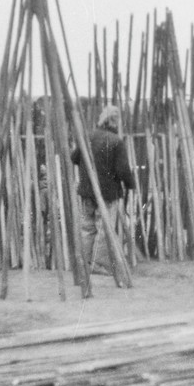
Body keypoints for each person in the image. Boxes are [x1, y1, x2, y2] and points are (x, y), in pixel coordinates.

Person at [70, 104, 137, 276]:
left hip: (86, 190)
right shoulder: (116, 142)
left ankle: (83, 262)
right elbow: (122, 170)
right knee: (103, 228)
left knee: (87, 227)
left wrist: (89, 167)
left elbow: (74, 157)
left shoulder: (88, 137)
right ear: (115, 122)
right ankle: (98, 264)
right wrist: (131, 184)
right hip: (107, 192)